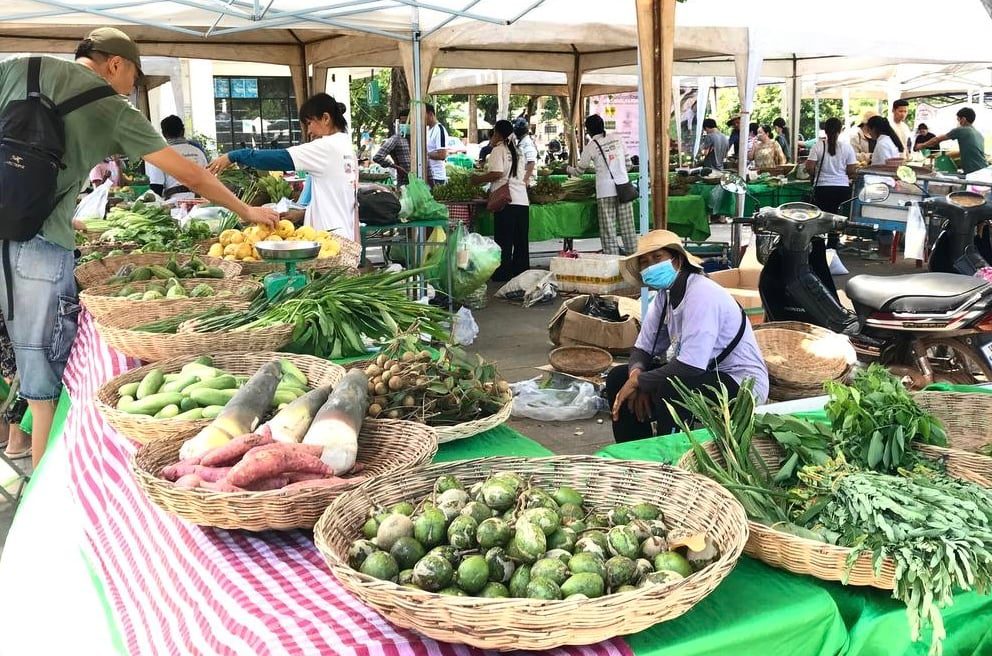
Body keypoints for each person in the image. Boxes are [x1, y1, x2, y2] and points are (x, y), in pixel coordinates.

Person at [0, 28, 277, 468]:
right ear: (115, 64)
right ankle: (45, 495)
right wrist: (247, 212)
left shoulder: (20, 68)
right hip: (38, 250)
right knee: (43, 383)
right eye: (135, 75)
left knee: (20, 363)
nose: (134, 86)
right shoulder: (109, 107)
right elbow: (193, 175)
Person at [604, 230, 769, 442]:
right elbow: (642, 348)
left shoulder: (702, 294)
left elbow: (690, 366)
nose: (650, 266)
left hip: (740, 382)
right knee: (619, 378)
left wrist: (641, 382)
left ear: (678, 259)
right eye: (644, 262)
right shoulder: (665, 296)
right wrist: (636, 376)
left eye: (657, 258)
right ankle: (636, 455)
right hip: (704, 374)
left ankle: (672, 456)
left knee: (672, 387)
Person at [209, 93, 359, 241]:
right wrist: (303, 214)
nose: (309, 132)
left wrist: (234, 155)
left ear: (326, 118)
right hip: (343, 236)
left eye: (309, 123)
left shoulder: (326, 147)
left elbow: (279, 158)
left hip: (328, 240)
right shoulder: (345, 146)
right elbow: (335, 197)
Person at [568, 114, 636, 256]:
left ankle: (612, 261)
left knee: (608, 229)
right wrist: (619, 172)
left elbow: (579, 171)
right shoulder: (617, 138)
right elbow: (629, 164)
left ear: (588, 130)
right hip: (623, 187)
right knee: (628, 227)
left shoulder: (591, 147)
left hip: (604, 192)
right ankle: (633, 258)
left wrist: (568, 169)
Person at [470, 120, 529, 281]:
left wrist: (477, 179)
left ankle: (503, 274)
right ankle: (522, 274)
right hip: (522, 200)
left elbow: (496, 173)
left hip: (506, 201)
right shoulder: (518, 150)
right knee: (521, 241)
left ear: (498, 133)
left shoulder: (498, 150)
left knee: (504, 240)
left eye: (494, 132)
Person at [146, 115, 208, 200]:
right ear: (183, 131)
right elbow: (208, 179)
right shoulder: (198, 152)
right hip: (199, 202)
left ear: (164, 134)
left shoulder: (160, 155)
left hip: (174, 205)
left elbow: (156, 188)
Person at [916, 107, 989, 174]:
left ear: (963, 119)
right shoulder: (978, 134)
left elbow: (937, 140)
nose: (958, 122)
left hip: (974, 172)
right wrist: (945, 155)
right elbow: (969, 151)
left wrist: (922, 145)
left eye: (958, 120)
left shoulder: (962, 130)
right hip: (982, 168)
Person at [372, 108, 411, 186]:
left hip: (420, 180)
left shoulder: (419, 139)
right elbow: (378, 157)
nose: (406, 125)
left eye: (408, 122)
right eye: (403, 123)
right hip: (404, 182)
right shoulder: (396, 139)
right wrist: (397, 167)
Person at [425, 103, 448, 187]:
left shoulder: (439, 129)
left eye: (423, 115)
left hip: (437, 177)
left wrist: (425, 155)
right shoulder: (427, 129)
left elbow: (442, 154)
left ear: (431, 114)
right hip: (428, 174)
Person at [512, 117, 538, 185]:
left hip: (527, 179)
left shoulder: (527, 143)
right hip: (521, 177)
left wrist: (525, 179)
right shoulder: (522, 142)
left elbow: (531, 162)